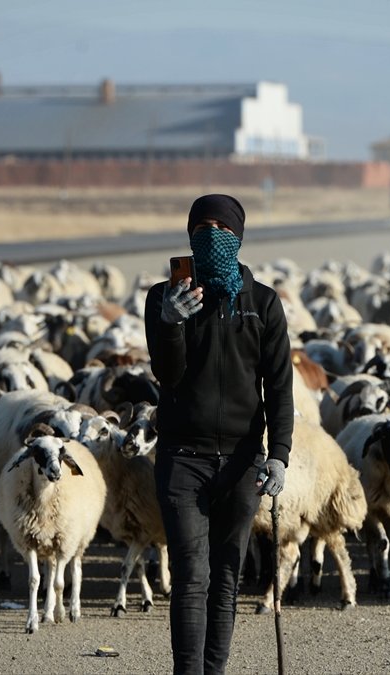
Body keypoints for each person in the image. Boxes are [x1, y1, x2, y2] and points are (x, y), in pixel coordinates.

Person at [144, 194, 293, 675]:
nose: (211, 236)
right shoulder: (164, 297)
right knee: (191, 576)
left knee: (227, 577)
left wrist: (279, 455)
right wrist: (172, 323)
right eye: (201, 228)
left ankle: (215, 671)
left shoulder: (262, 303)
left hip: (242, 462)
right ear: (189, 235)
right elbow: (169, 375)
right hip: (182, 458)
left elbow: (279, 387)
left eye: (222, 229)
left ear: (239, 236)